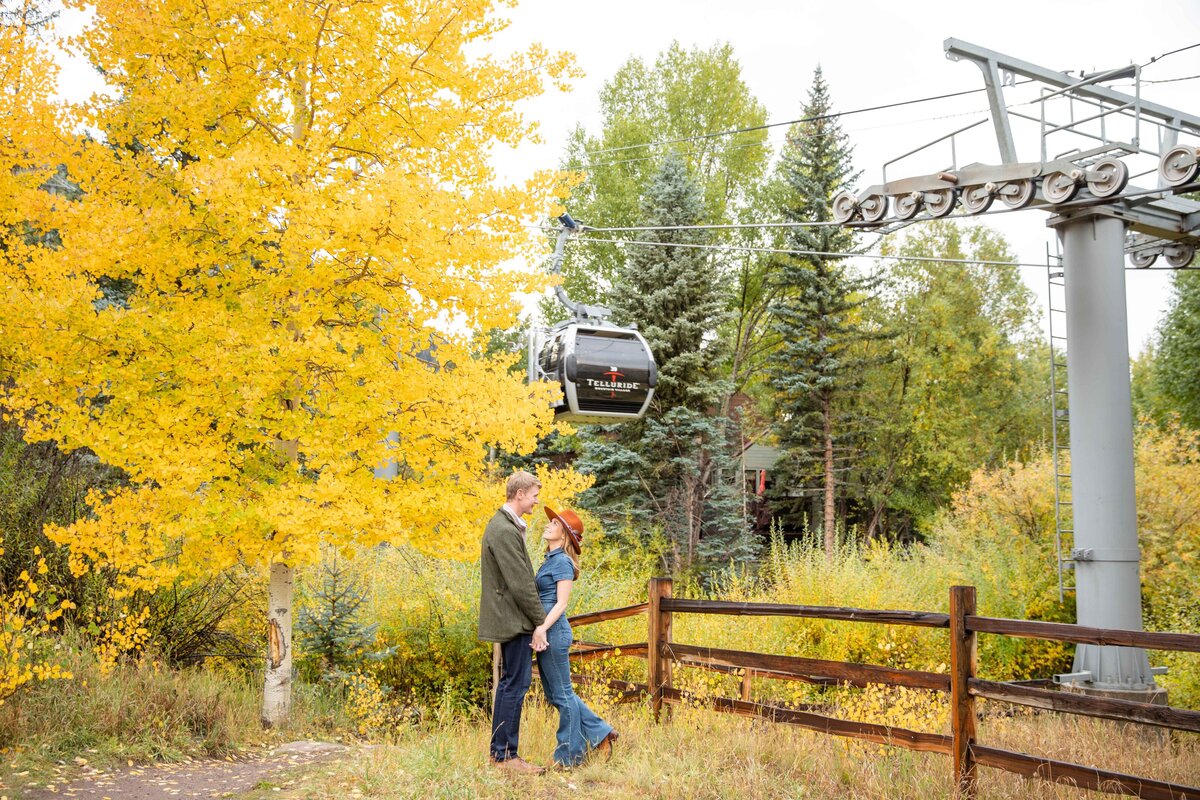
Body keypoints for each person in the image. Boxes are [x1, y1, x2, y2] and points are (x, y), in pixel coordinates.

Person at [534, 505, 618, 768]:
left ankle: (569, 756)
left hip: (553, 633)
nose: (548, 525)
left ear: (565, 536)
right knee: (556, 694)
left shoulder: (563, 562)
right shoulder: (549, 560)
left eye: (555, 524)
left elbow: (560, 604)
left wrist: (541, 628)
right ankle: (601, 733)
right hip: (546, 632)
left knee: (562, 694)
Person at [478, 471, 549, 775]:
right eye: (533, 495)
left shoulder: (505, 526)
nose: (536, 500)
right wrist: (540, 621)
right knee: (514, 685)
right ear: (519, 494)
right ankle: (505, 756)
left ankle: (501, 754)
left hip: (513, 617)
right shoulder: (504, 530)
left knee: (511, 684)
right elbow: (520, 583)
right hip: (514, 619)